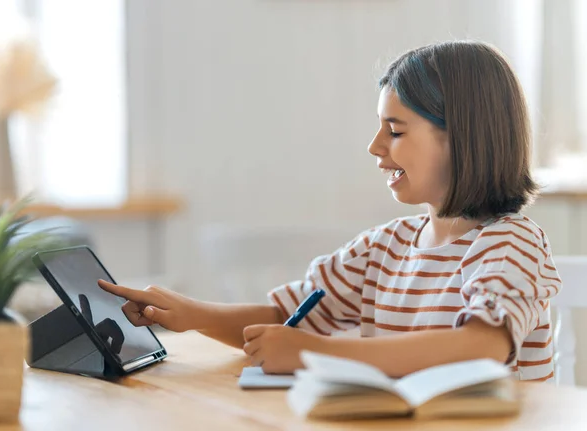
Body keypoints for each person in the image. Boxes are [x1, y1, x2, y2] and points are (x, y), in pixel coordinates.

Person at [99, 41, 561, 382]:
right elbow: (289, 316)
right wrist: (192, 312)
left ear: (462, 137)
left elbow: (481, 347)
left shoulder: (510, 243)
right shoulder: (385, 247)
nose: (374, 147)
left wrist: (318, 354)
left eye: (395, 131)